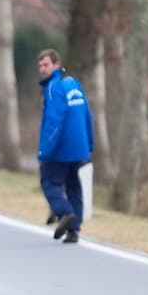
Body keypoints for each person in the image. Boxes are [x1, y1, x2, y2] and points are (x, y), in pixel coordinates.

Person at [37, 48, 94, 244]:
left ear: (56, 65)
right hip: (79, 147)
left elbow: (54, 121)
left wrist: (45, 150)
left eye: (46, 65)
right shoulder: (74, 85)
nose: (42, 69)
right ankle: (73, 231)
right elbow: (87, 115)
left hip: (61, 148)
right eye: (40, 66)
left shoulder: (54, 88)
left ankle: (65, 212)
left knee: (49, 183)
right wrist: (90, 144)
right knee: (73, 185)